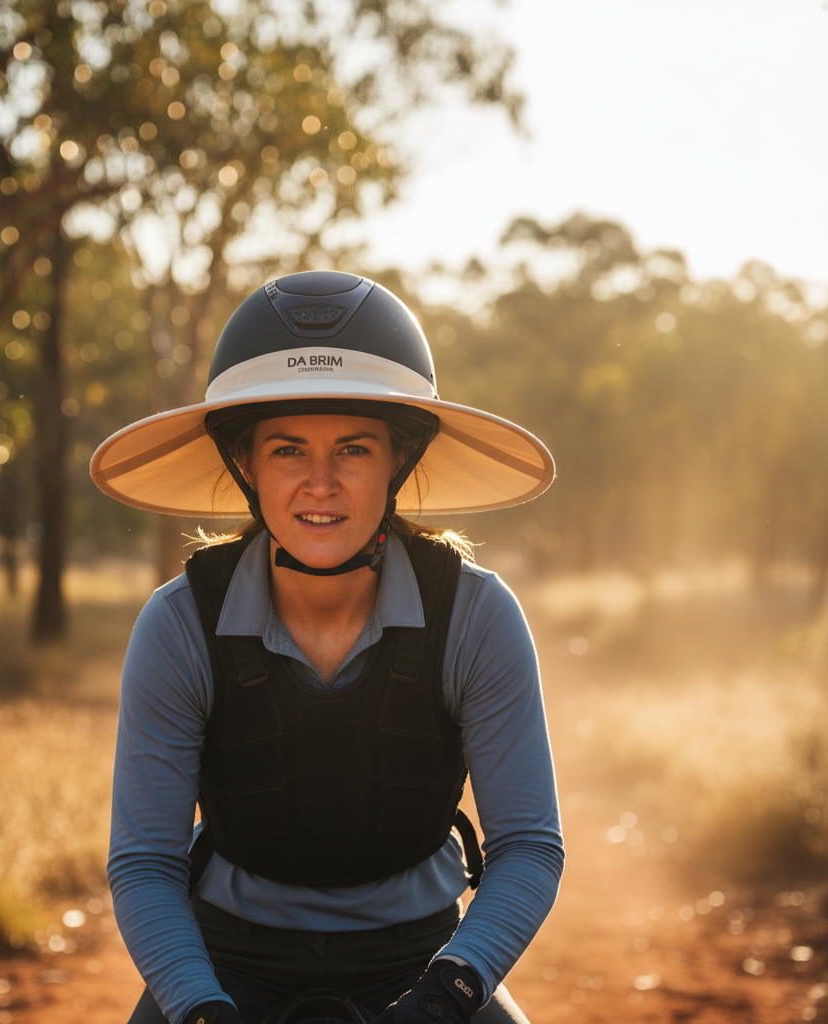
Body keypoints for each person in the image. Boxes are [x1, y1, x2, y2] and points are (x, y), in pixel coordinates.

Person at [91, 271, 563, 1024]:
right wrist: (197, 1006)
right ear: (243, 463)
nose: (320, 483)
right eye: (286, 450)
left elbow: (531, 847)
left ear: (398, 460)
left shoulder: (477, 617)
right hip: (227, 962)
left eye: (352, 448)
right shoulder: (179, 626)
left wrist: (450, 995)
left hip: (426, 960)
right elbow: (145, 863)